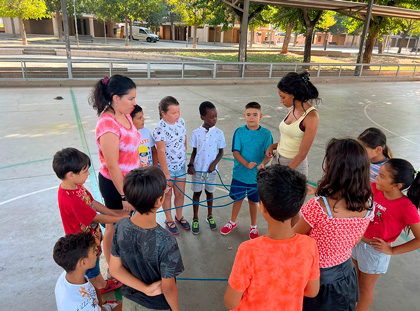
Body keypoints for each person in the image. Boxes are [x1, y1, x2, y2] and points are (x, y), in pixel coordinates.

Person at [224, 165, 320, 311]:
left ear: (262, 207)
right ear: (297, 206)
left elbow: (231, 302)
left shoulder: (249, 250)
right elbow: (312, 291)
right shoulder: (309, 245)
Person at [294, 138, 374, 311]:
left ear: (332, 169)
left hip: (315, 278)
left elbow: (294, 239)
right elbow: (354, 241)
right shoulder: (368, 205)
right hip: (345, 273)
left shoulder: (318, 207)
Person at [53, 147, 128, 294]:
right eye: (85, 171)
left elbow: (92, 202)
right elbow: (95, 217)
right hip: (82, 243)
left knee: (94, 258)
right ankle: (99, 286)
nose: (88, 174)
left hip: (91, 235)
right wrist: (119, 218)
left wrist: (113, 213)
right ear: (71, 175)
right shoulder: (71, 198)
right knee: (90, 264)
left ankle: (99, 282)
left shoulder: (76, 186)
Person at [109, 167, 184, 311]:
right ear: (159, 201)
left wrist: (145, 289)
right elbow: (168, 289)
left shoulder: (121, 225)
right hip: (156, 306)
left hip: (129, 300)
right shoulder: (167, 241)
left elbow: (114, 269)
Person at [352, 159, 420, 311]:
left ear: (397, 185)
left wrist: (392, 250)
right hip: (359, 242)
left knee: (365, 288)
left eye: (382, 176)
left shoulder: (407, 208)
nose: (376, 178)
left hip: (375, 252)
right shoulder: (375, 188)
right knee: (356, 279)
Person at [89, 75, 141, 264]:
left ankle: (125, 258)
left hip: (130, 182)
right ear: (116, 98)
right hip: (115, 185)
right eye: (131, 98)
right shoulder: (107, 124)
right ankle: (113, 264)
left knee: (128, 222)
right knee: (113, 225)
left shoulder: (125, 114)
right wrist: (124, 196)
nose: (134, 103)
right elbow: (112, 165)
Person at [220, 102, 273, 239]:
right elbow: (236, 152)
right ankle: (232, 221)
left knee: (253, 201)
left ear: (260, 116)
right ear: (244, 116)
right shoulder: (239, 132)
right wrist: (246, 164)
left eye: (255, 115)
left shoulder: (266, 134)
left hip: (256, 176)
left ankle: (253, 226)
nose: (251, 117)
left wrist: (262, 163)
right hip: (240, 174)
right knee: (237, 199)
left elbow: (268, 154)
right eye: (248, 115)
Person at [266, 71, 319, 176]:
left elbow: (302, 153)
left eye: (283, 97)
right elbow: (290, 139)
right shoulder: (291, 109)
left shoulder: (311, 117)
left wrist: (285, 174)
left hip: (295, 167)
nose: (281, 101)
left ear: (293, 95)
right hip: (278, 160)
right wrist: (272, 147)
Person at [53, 232, 122, 311]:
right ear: (83, 262)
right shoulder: (83, 305)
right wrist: (129, 302)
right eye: (93, 251)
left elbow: (93, 289)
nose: (97, 252)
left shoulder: (70, 273)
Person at [187, 101, 226, 234]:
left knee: (209, 192)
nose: (214, 119)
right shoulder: (196, 133)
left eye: (215, 116)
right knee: (197, 193)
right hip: (198, 170)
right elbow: (194, 151)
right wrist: (191, 164)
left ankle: (210, 216)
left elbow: (221, 152)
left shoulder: (219, 133)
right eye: (211, 117)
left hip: (212, 172)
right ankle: (195, 218)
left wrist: (214, 164)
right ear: (202, 117)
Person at [153, 96, 190, 234]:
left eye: (178, 112)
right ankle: (169, 220)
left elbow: (184, 137)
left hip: (180, 166)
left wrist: (184, 151)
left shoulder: (181, 122)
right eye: (174, 113)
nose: (177, 115)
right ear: (163, 113)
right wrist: (166, 174)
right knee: (167, 196)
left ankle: (179, 216)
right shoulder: (160, 129)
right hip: (167, 169)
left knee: (180, 194)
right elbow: (161, 151)